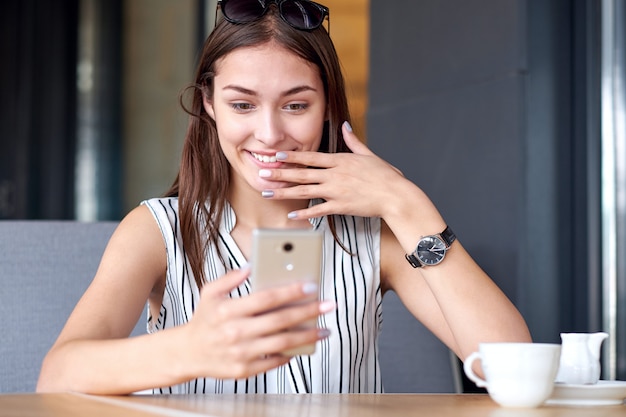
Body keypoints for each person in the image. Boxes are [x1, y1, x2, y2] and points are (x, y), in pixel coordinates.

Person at [37, 0, 531, 395]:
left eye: (296, 104)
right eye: (242, 104)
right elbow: (57, 377)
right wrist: (187, 349)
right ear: (209, 104)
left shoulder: (372, 236)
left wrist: (408, 205)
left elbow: (514, 366)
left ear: (327, 107)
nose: (269, 134)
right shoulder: (157, 231)